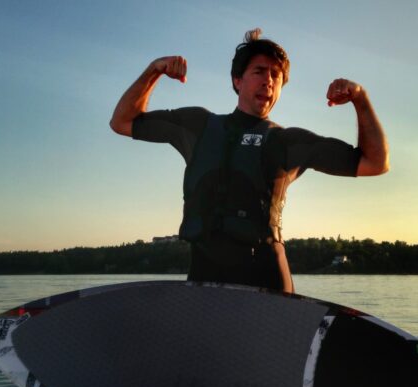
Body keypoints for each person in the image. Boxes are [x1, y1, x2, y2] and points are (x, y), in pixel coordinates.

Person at [110, 29, 389, 293]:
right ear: (237, 80)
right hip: (203, 276)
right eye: (259, 71)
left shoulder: (289, 142)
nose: (268, 80)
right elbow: (122, 121)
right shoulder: (197, 126)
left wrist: (360, 99)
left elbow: (375, 163)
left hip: (267, 281)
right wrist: (154, 70)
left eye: (276, 76)